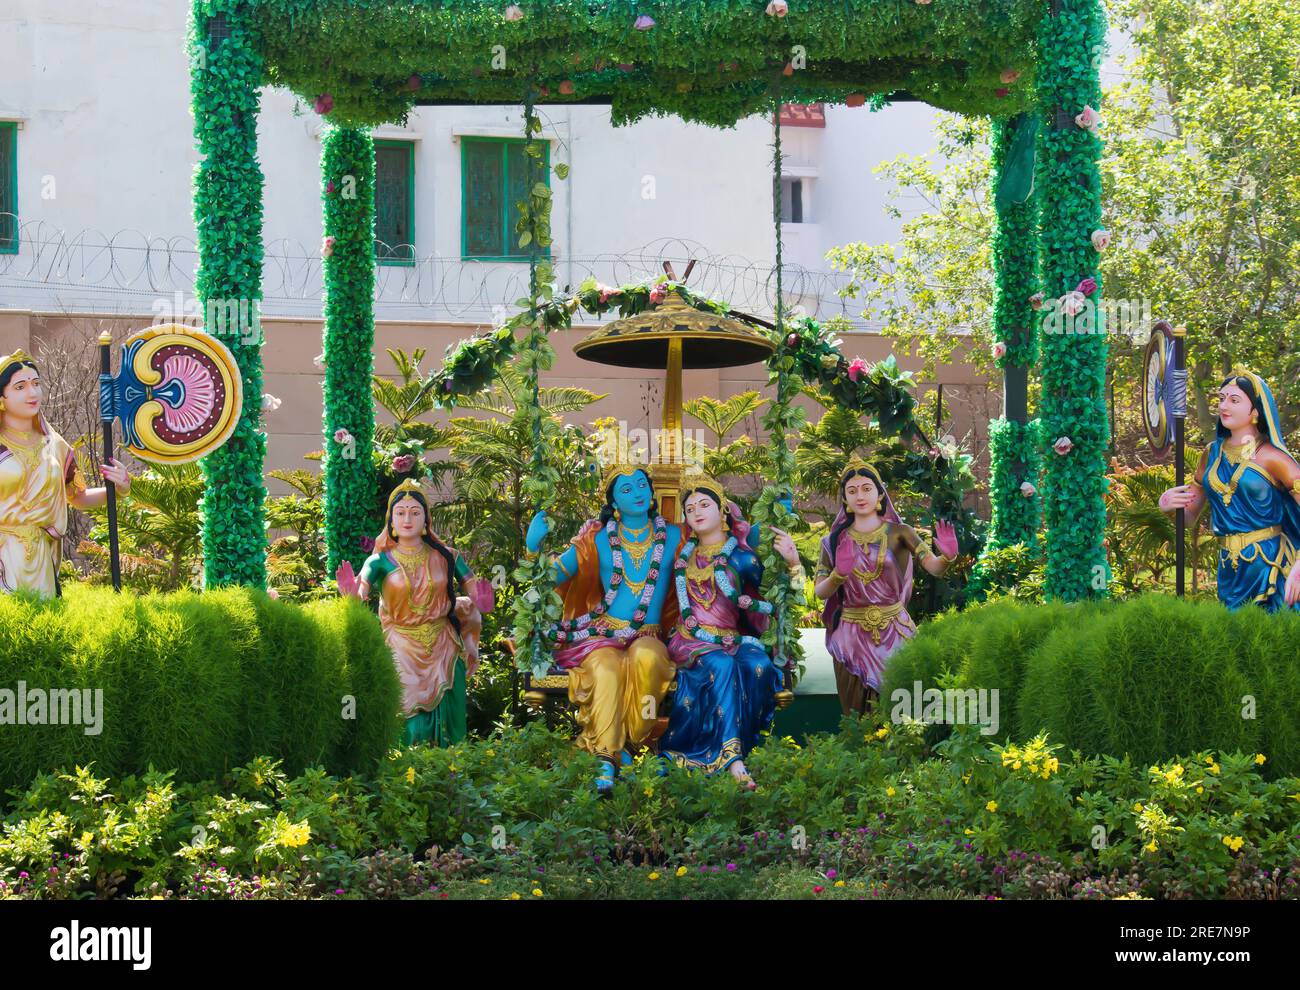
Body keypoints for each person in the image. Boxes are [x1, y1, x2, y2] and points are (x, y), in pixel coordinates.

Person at [525, 464, 681, 793]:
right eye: (626, 490)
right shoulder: (596, 537)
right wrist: (533, 549)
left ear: (652, 492)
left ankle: (635, 746)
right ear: (612, 502)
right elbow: (550, 578)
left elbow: (717, 552)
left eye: (642, 485)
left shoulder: (676, 536)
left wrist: (751, 533)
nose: (637, 493)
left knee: (648, 662)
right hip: (601, 634)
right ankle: (606, 758)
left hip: (649, 634)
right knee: (607, 671)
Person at [660, 471, 801, 789]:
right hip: (692, 638)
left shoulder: (743, 557)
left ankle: (748, 747)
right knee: (722, 666)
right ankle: (732, 760)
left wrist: (792, 564)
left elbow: (776, 599)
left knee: (758, 665)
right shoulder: (685, 556)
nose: (696, 511)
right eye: (690, 507)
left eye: (704, 504)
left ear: (723, 510)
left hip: (733, 638)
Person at [336, 479, 495, 746]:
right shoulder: (379, 561)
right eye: (400, 513)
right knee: (408, 718)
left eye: (415, 512)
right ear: (391, 521)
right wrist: (352, 591)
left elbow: (473, 587)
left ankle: (452, 774)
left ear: (426, 520)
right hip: (401, 645)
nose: (407, 518)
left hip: (443, 644)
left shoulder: (448, 556)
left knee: (451, 720)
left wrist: (483, 601)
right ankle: (405, 775)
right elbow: (361, 590)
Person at [814, 456, 958, 716]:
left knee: (903, 707)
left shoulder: (901, 533)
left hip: (895, 631)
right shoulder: (832, 541)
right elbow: (820, 591)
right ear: (845, 500)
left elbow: (933, 567)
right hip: (851, 636)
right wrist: (837, 575)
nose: (860, 496)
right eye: (852, 490)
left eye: (867, 488)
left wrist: (948, 558)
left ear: (880, 494)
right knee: (857, 714)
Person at [1158, 369, 1300, 611]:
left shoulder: (1273, 458)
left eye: (1234, 400)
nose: (1224, 406)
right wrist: (1169, 506)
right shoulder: (1211, 454)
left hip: (1269, 567)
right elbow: (1190, 516)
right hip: (1229, 568)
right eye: (1221, 398)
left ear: (1255, 410)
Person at [1, 349, 131, 597]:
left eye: (36, 384)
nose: (32, 393)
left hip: (39, 558)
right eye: (20, 387)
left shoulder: (55, 446)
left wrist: (119, 488)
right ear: (1, 396)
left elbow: (77, 497)